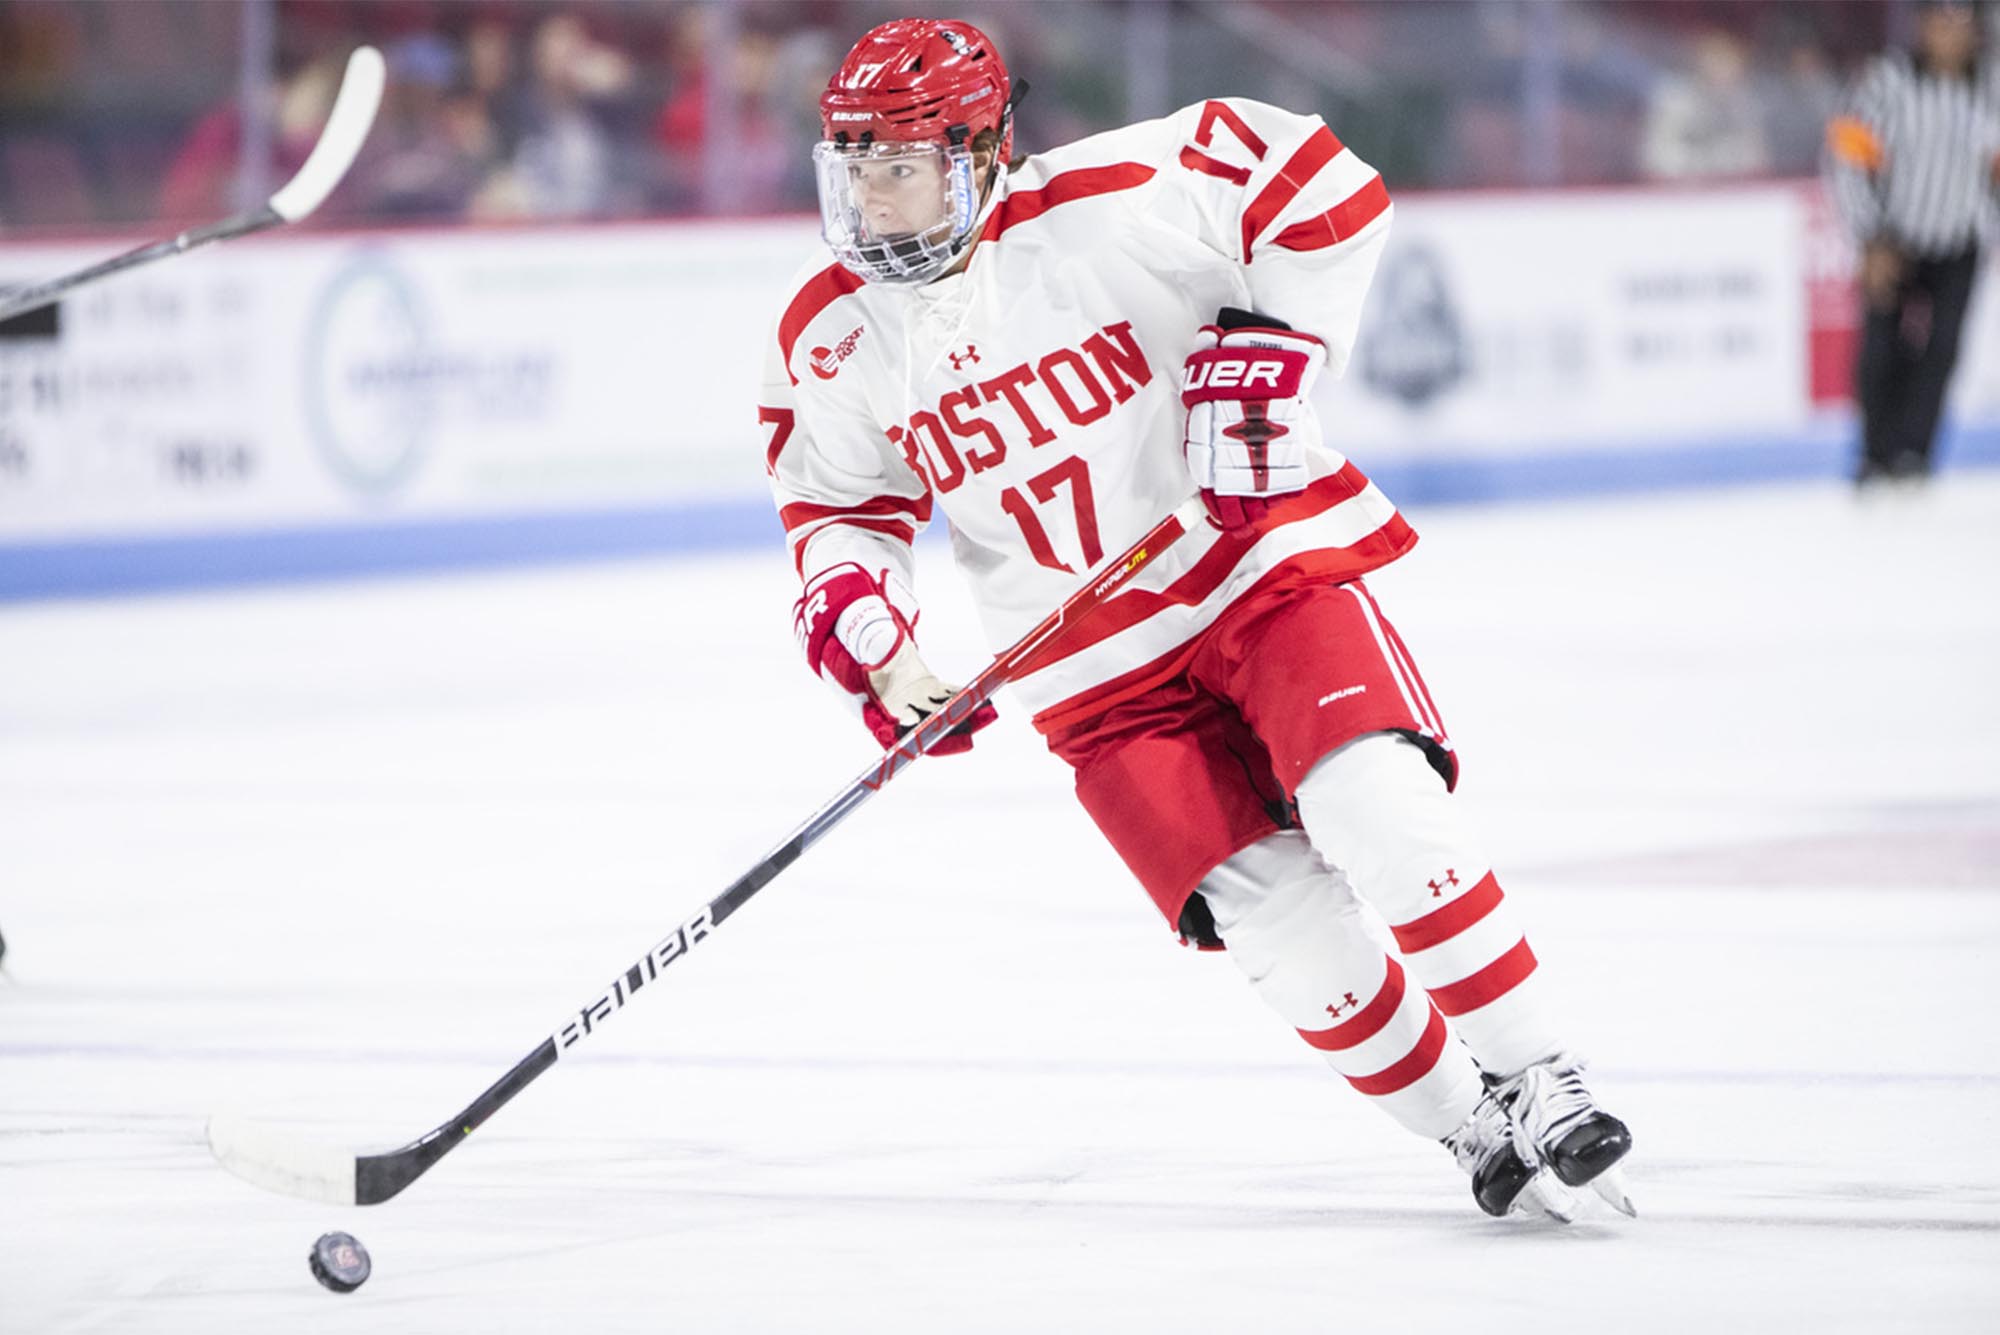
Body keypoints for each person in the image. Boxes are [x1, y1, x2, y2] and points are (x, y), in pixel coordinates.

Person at [759, 17, 1633, 1222]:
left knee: (1372, 802)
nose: (873, 197)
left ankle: (1538, 1072)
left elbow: (1324, 182)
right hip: (1086, 674)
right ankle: (1464, 1123)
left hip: (1248, 576)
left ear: (981, 152)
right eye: (852, 166)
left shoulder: (1113, 202)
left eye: (900, 164)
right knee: (1275, 922)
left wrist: (1273, 350)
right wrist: (877, 641)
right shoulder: (831, 329)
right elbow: (838, 505)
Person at [1825, 0, 2000, 487]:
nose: (1951, 34)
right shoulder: (1887, 82)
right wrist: (1870, 237)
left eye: (1962, 24)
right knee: (1882, 347)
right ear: (1922, 27)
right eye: (1941, 23)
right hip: (1895, 241)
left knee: (1942, 350)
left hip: (1959, 240)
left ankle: (1915, 455)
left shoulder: (1992, 85)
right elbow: (1848, 157)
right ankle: (1875, 452)